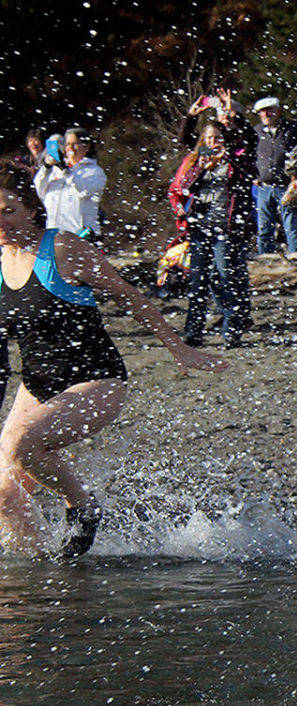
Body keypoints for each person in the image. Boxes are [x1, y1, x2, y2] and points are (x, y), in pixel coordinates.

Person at [0, 162, 227, 556]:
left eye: (8, 209)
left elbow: (130, 297)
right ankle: (41, 568)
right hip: (36, 386)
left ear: (32, 209)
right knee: (3, 494)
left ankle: (83, 505)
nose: (1, 221)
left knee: (23, 443)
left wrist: (179, 347)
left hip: (96, 379)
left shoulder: (63, 248)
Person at [170, 90, 257, 348]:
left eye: (217, 137)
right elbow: (184, 142)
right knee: (198, 281)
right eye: (208, 138)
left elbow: (251, 141)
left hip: (227, 227)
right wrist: (189, 116)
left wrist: (235, 116)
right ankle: (193, 331)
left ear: (226, 139)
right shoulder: (197, 160)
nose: (213, 141)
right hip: (199, 227)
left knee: (227, 276)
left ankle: (232, 329)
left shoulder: (236, 158)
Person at [252, 96, 297, 254]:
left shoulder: (292, 129)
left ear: (278, 111)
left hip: (287, 186)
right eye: (263, 112)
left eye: (271, 110)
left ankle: (295, 259)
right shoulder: (256, 132)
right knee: (264, 229)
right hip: (263, 187)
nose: (267, 114)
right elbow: (247, 155)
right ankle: (265, 262)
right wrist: (253, 175)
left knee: (291, 227)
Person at [33, 127, 106, 244]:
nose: (70, 148)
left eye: (75, 144)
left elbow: (83, 191)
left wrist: (65, 171)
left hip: (81, 236)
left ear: (87, 147)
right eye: (68, 144)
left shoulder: (95, 171)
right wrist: (46, 167)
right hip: (54, 235)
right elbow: (38, 189)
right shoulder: (55, 171)